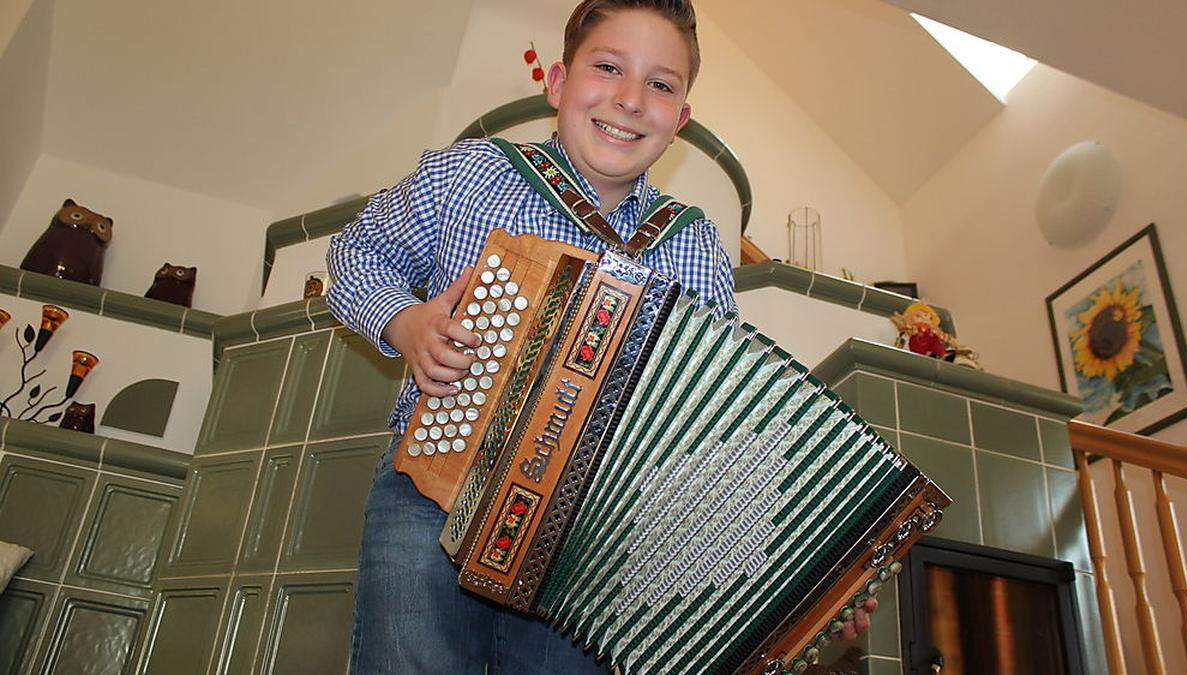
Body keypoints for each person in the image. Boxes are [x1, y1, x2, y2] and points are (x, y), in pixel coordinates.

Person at [326, 1, 873, 672]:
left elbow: (715, 430)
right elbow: (357, 252)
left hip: (592, 545)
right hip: (429, 497)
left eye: (662, 85)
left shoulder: (692, 241)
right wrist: (405, 323)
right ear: (558, 83)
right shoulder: (471, 172)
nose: (630, 99)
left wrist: (810, 575)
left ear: (680, 121)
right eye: (608, 67)